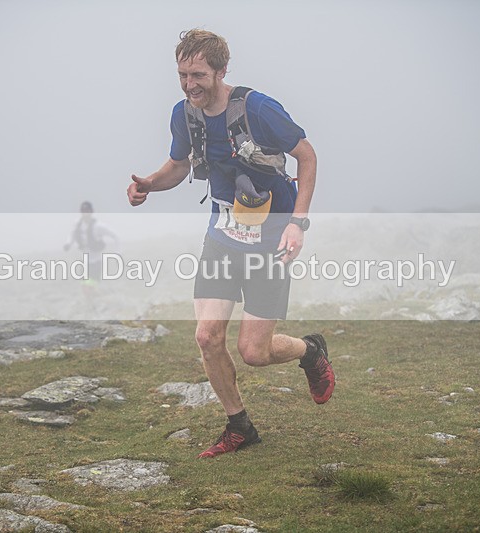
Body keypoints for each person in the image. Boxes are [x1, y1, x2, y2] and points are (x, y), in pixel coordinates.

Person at [127, 29, 334, 458]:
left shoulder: (258, 109)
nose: (189, 84)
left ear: (222, 70)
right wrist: (150, 183)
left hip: (272, 239)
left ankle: (310, 351)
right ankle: (239, 426)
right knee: (207, 337)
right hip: (222, 237)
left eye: (198, 74)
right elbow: (178, 166)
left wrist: (299, 224)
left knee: (254, 352)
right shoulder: (184, 114)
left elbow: (307, 155)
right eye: (182, 75)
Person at [64, 201, 117, 285]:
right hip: (84, 260)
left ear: (91, 212)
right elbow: (72, 234)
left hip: (96, 261)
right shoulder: (78, 224)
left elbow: (114, 235)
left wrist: (118, 252)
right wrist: (68, 244)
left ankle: (96, 294)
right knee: (84, 284)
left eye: (87, 211)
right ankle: (93, 295)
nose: (85, 214)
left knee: (92, 284)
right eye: (83, 211)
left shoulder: (98, 226)